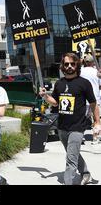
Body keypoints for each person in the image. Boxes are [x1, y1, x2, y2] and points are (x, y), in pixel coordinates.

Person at [39, 53, 101, 185]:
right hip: (62, 127)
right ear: (63, 66)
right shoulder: (59, 84)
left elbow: (93, 103)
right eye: (66, 64)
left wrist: (97, 122)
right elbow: (55, 102)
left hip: (77, 127)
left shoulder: (84, 83)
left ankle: (69, 182)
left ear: (77, 65)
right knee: (73, 154)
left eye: (72, 64)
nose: (69, 66)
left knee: (70, 159)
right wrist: (45, 96)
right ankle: (86, 174)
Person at [80, 53, 101, 144]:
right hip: (95, 98)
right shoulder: (97, 72)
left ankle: (80, 137)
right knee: (96, 119)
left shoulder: (81, 71)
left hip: (83, 98)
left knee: (81, 119)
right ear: (93, 62)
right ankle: (95, 138)